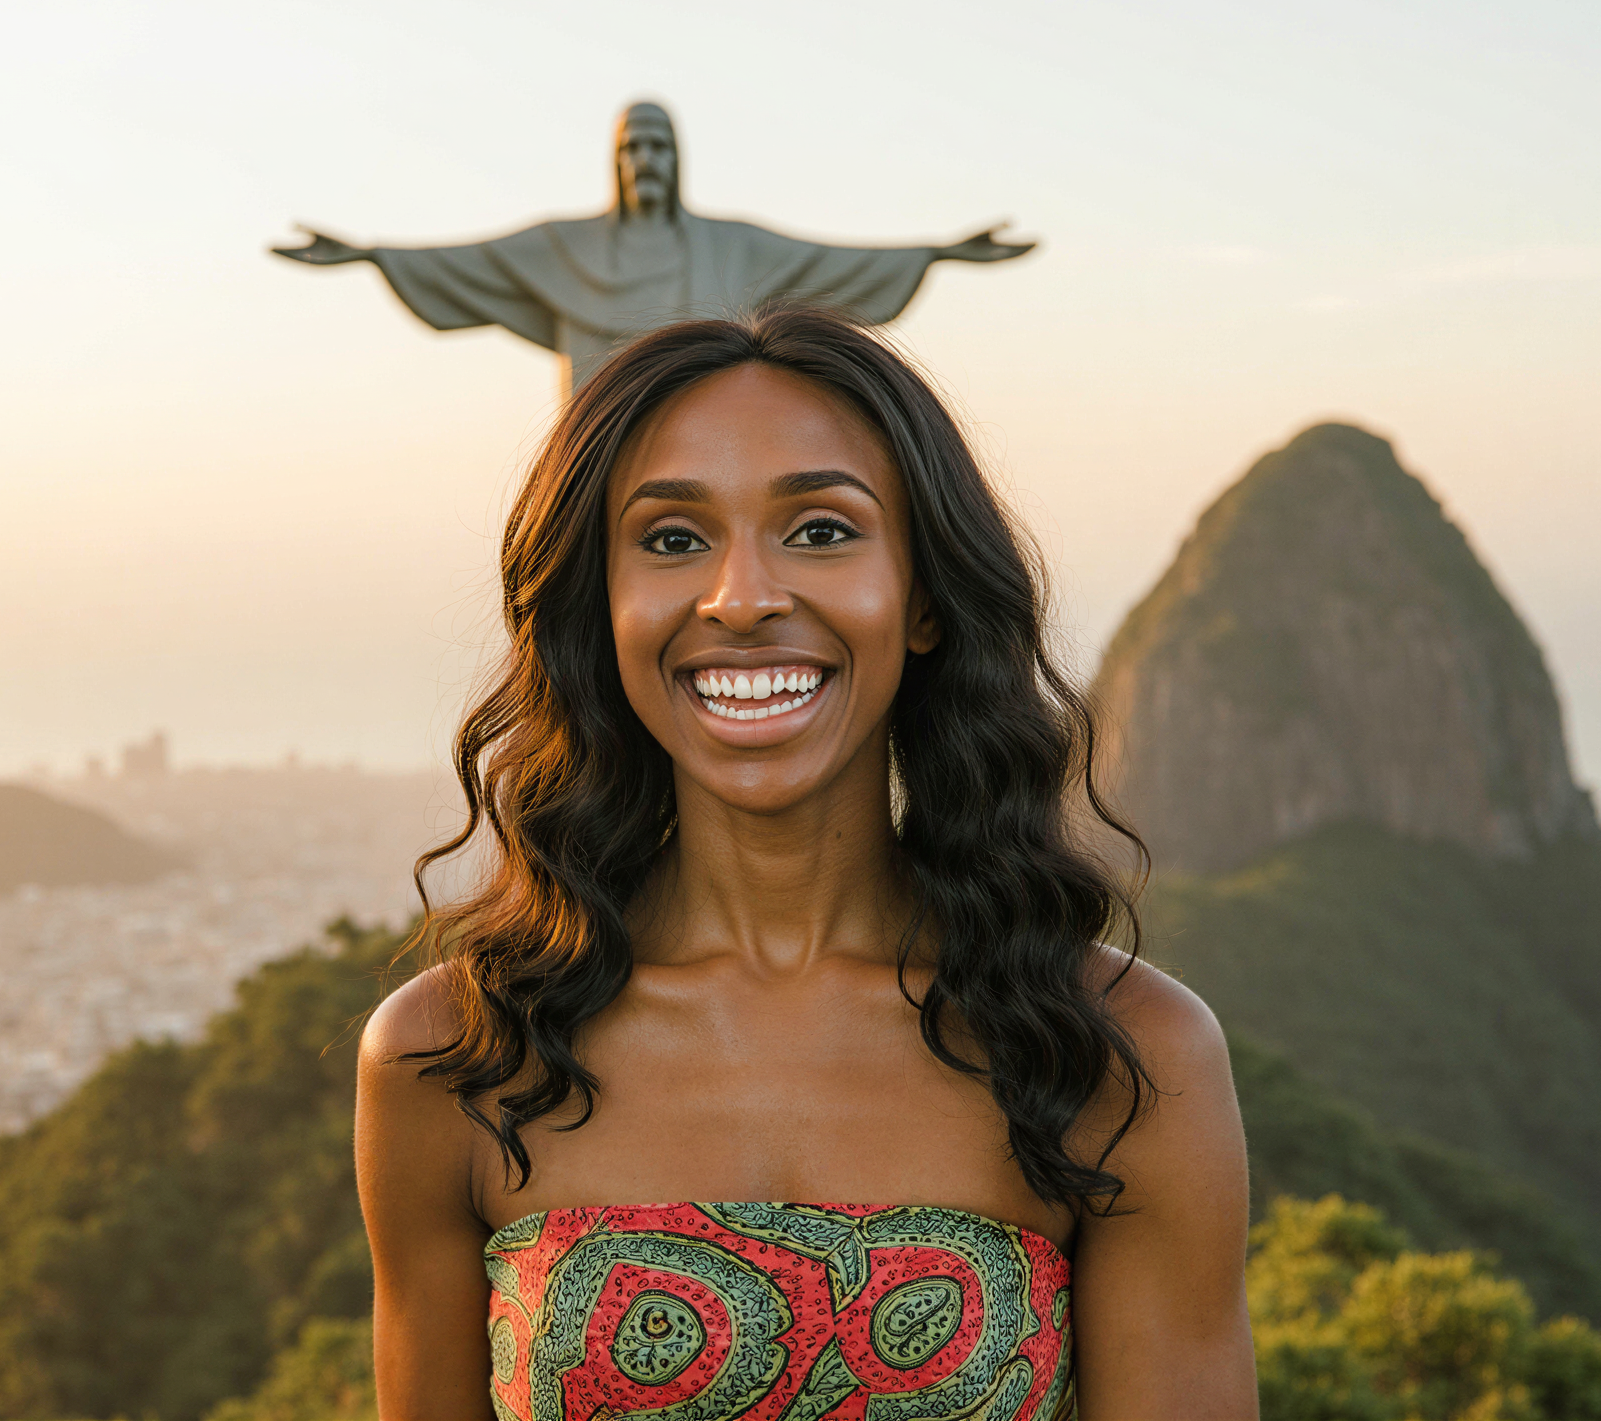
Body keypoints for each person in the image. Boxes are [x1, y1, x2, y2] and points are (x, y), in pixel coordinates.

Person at [358, 305, 1256, 1417]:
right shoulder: (453, 1058)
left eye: (821, 531)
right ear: (602, 606)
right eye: (672, 539)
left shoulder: (1120, 1056)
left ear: (922, 598)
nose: (741, 599)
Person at [273, 101, 1034, 394]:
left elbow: (828, 262)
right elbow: (468, 262)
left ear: (677, 163)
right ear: (615, 161)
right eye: (634, 149)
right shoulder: (565, 249)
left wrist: (938, 253)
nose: (647, 163)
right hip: (598, 433)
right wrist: (369, 255)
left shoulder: (728, 250)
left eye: (660, 150)